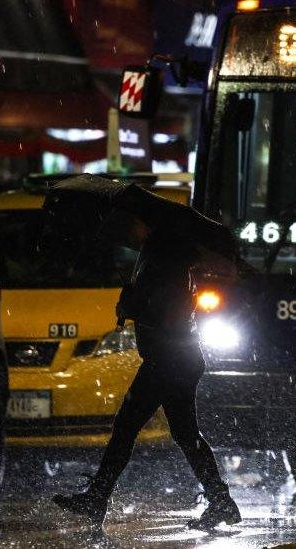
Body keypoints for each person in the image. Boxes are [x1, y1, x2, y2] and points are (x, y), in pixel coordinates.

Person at [52, 209, 241, 530]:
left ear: (148, 224)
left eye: (134, 222)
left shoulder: (165, 260)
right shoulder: (161, 256)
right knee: (183, 434)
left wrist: (131, 305)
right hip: (173, 359)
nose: (130, 228)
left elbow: (166, 312)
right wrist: (134, 302)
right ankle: (221, 501)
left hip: (169, 361)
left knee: (128, 426)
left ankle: (97, 497)